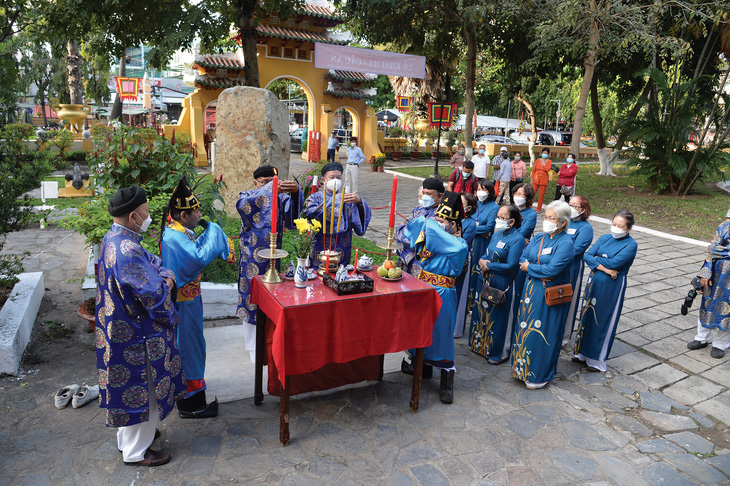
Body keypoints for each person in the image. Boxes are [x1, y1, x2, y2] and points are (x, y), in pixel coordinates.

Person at [96, 185, 186, 466]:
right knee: (144, 390)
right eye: (146, 212)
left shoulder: (113, 238)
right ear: (134, 216)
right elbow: (155, 294)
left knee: (129, 390)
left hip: (118, 329)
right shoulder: (127, 249)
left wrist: (161, 273)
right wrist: (168, 280)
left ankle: (128, 441)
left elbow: (152, 263)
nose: (149, 217)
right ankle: (136, 452)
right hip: (137, 335)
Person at [160, 176, 233, 418]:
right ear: (183, 216)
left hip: (189, 300)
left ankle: (193, 392)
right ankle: (191, 405)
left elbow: (194, 250)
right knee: (189, 348)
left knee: (194, 346)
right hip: (183, 303)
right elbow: (198, 257)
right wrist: (215, 230)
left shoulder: (179, 232)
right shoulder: (173, 237)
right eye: (196, 210)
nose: (200, 214)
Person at [400, 192, 469, 404]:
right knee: (421, 329)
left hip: (443, 292)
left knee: (441, 335)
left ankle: (447, 383)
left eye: (441, 221)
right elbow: (409, 232)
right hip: (424, 287)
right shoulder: (434, 233)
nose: (436, 224)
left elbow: (456, 249)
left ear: (454, 223)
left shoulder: (459, 244)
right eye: (435, 220)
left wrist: (431, 228)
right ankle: (421, 366)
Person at [237, 166, 303, 361]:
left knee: (272, 296)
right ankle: (252, 346)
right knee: (251, 297)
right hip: (252, 256)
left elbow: (294, 219)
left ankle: (269, 340)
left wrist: (297, 193)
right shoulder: (247, 194)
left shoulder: (281, 197)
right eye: (265, 182)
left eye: (273, 181)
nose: (270, 185)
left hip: (275, 257)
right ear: (256, 183)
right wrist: (270, 189)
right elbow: (243, 207)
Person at [512, 201, 575, 389]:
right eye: (546, 217)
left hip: (549, 293)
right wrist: (530, 266)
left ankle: (539, 374)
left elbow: (552, 269)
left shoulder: (566, 243)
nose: (547, 221)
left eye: (552, 218)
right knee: (525, 328)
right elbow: (523, 255)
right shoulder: (539, 237)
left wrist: (530, 267)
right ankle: (521, 369)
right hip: (531, 289)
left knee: (544, 332)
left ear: (563, 222)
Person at [573, 210, 638, 371]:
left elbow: (615, 263)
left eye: (620, 226)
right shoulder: (604, 238)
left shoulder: (631, 245)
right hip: (594, 282)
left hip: (612, 286)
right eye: (614, 224)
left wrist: (599, 261)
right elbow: (587, 255)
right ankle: (582, 352)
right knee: (587, 315)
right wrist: (606, 268)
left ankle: (597, 359)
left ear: (628, 228)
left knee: (603, 318)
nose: (616, 228)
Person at [469, 205, 526, 364]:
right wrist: (481, 260)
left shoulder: (517, 239)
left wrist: (489, 266)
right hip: (486, 280)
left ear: (512, 221)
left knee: (500, 318)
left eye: (502, 217)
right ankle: (480, 345)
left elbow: (511, 266)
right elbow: (486, 253)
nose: (498, 220)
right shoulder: (497, 234)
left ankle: (498, 352)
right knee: (483, 313)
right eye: (498, 217)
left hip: (503, 283)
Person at [302, 162, 371, 265]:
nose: (335, 180)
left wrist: (360, 202)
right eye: (331, 177)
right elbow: (308, 214)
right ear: (324, 180)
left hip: (342, 243)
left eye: (338, 177)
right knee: (319, 271)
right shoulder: (315, 197)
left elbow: (358, 224)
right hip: (320, 242)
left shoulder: (348, 198)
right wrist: (336, 200)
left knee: (340, 270)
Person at [687, 210, 730, 359]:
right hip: (717, 274)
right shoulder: (724, 226)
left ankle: (720, 344)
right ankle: (701, 338)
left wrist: (718, 249)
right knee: (707, 303)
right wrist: (706, 272)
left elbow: (715, 248)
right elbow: (712, 250)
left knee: (728, 309)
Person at [562, 195, 594, 345]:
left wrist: (558, 254)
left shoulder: (585, 228)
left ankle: (564, 335)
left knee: (569, 298)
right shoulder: (565, 222)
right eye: (570, 204)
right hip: (557, 264)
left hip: (572, 267)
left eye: (575, 206)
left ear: (582, 210)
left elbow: (577, 250)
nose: (571, 208)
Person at [397, 178, 444, 277]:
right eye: (423, 193)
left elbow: (429, 240)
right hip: (407, 258)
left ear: (440, 196)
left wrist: (411, 235)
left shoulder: (443, 215)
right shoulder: (418, 209)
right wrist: (414, 238)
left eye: (429, 194)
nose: (424, 196)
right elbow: (401, 229)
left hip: (426, 263)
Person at [467, 180, 500, 309]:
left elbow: (489, 227)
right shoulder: (475, 204)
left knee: (476, 270)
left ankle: (473, 301)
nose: (481, 192)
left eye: (484, 189)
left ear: (490, 192)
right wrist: (477, 229)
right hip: (470, 241)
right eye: (479, 189)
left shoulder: (494, 207)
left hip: (482, 243)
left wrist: (474, 228)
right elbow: (467, 221)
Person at [455, 192, 478, 337]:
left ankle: (456, 328)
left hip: (462, 259)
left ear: (468, 208)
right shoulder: (454, 219)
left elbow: (462, 243)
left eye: (461, 203)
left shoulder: (470, 224)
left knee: (459, 292)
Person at [531, 148, 552, 212]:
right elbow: (534, 170)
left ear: (548, 154)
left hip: (543, 180)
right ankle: (529, 206)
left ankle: (539, 208)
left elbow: (547, 169)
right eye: (543, 153)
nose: (544, 154)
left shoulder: (549, 161)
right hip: (536, 179)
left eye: (546, 153)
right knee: (532, 193)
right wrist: (532, 179)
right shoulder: (537, 160)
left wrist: (543, 163)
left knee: (541, 195)